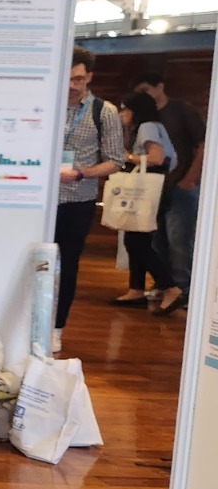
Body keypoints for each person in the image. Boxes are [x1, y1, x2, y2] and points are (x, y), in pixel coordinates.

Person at [55, 48, 124, 351]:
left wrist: (83, 173)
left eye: (79, 79)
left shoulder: (103, 111)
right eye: (68, 78)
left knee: (67, 265)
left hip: (76, 201)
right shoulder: (46, 104)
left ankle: (57, 327)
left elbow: (115, 160)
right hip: (37, 203)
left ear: (89, 77)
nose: (72, 85)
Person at [132, 71, 206, 315]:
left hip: (180, 186)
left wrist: (190, 179)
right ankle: (166, 287)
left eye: (146, 90)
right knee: (158, 239)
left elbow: (203, 144)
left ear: (160, 86)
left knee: (179, 240)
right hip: (157, 188)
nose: (143, 97)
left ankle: (183, 290)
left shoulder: (181, 110)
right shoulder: (150, 118)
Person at [116, 91, 178, 314]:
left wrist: (127, 157)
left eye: (125, 109)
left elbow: (156, 158)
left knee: (136, 242)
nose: (123, 114)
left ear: (135, 110)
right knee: (137, 239)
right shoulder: (154, 126)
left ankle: (170, 287)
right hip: (157, 189)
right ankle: (136, 289)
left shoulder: (147, 127)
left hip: (148, 191)